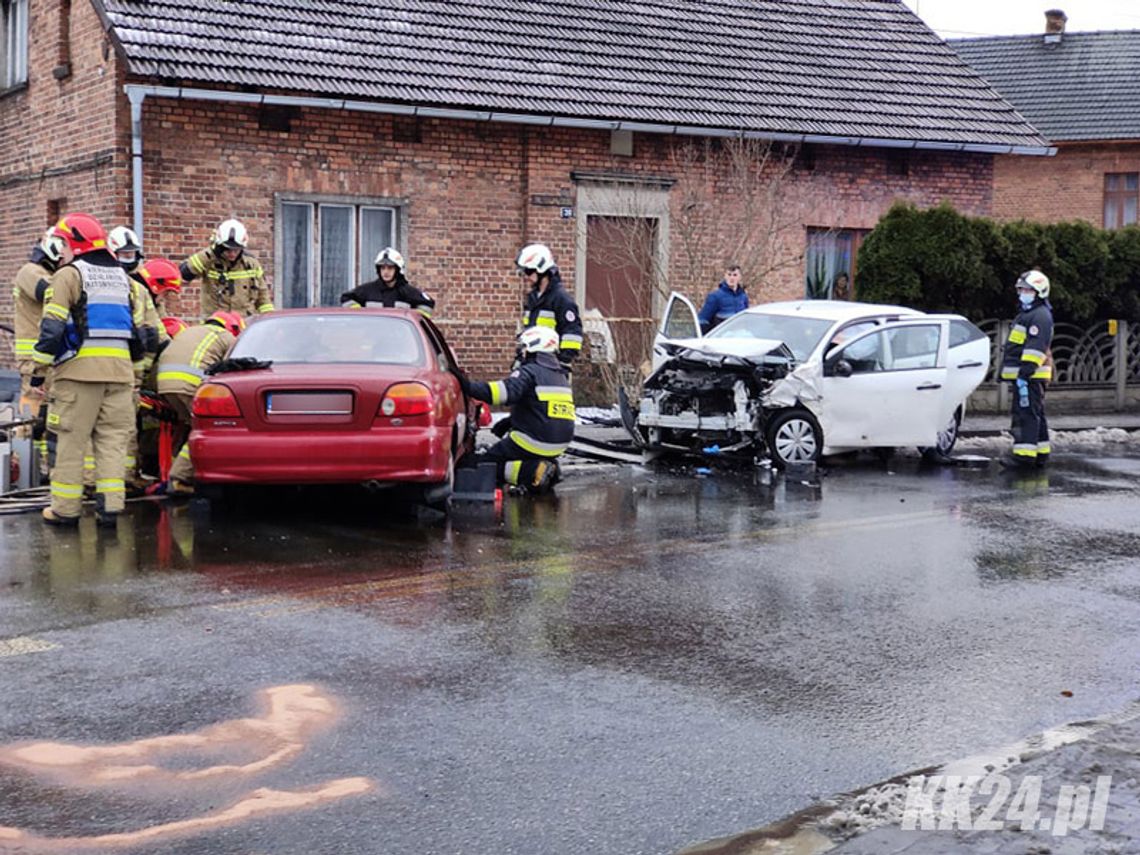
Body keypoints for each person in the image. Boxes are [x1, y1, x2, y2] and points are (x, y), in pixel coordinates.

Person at [32, 212, 154, 527]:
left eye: (62, 244)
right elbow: (141, 337)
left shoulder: (68, 276)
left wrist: (38, 374)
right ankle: (110, 509)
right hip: (121, 376)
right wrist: (135, 375)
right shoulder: (125, 280)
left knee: (71, 441)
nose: (60, 252)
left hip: (78, 375)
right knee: (112, 442)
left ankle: (65, 510)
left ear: (74, 244)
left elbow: (51, 330)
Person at [457, 326, 574, 495]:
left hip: (533, 441)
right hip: (558, 443)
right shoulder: (559, 375)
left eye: (523, 348)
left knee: (485, 465)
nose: (521, 353)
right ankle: (549, 469)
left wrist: (467, 386)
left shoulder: (529, 372)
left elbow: (502, 393)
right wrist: (512, 421)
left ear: (533, 346)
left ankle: (533, 471)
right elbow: (543, 408)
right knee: (507, 456)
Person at [155, 311, 244, 495]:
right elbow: (236, 367)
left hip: (164, 385)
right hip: (190, 385)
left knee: (187, 427)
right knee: (202, 430)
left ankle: (169, 471)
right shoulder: (225, 337)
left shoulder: (191, 331)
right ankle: (179, 478)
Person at [999, 269, 1054, 469]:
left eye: (1027, 289)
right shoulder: (1031, 313)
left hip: (1030, 375)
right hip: (1030, 375)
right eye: (1021, 289)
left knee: (1026, 415)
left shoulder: (1038, 316)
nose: (1022, 292)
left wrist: (1025, 372)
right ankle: (1040, 452)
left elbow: (1035, 347)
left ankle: (1024, 456)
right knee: (1035, 413)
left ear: (1039, 291)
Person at [181, 219, 275, 318]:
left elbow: (263, 298)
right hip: (214, 324)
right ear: (220, 246)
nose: (232, 253)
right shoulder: (208, 261)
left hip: (242, 324)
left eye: (236, 249)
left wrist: (269, 321)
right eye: (228, 249)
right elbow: (185, 274)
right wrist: (211, 253)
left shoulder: (251, 264)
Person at [518, 243, 582, 367]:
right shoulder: (532, 298)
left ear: (542, 270)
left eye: (529, 271)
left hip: (551, 363)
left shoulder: (561, 299)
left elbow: (572, 334)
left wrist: (562, 361)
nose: (526, 276)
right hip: (531, 362)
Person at [339, 247, 434, 316]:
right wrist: (359, 313)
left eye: (390, 268)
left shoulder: (408, 292)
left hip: (400, 339)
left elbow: (427, 304)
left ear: (397, 270)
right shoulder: (367, 290)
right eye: (383, 268)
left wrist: (415, 318)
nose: (386, 272)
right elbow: (346, 298)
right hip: (371, 339)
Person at [698, 264, 748, 333]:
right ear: (725, 276)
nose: (732, 278)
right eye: (729, 275)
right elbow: (703, 320)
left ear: (740, 277)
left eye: (735, 275)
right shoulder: (715, 296)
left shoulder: (743, 296)